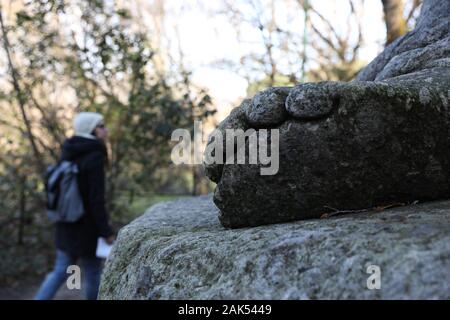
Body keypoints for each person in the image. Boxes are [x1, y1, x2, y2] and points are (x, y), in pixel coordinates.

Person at [35, 112, 115, 300]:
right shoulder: (94, 155)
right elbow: (96, 199)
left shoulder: (69, 150)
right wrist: (106, 231)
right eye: (101, 125)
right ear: (92, 129)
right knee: (93, 272)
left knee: (60, 271)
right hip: (86, 227)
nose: (105, 129)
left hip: (65, 223)